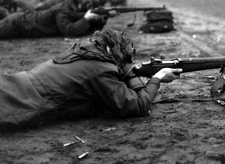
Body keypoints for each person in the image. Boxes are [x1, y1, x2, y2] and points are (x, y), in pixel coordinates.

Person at [0, 29, 182, 132]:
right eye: (125, 56)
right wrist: (157, 77)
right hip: (22, 101)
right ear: (114, 51)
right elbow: (138, 106)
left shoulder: (85, 52)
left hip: (15, 83)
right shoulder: (100, 69)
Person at [0, 0, 116, 39]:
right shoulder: (63, 10)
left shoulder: (71, 8)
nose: (87, 8)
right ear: (77, 3)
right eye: (85, 5)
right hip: (16, 23)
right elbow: (69, 31)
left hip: (21, 26)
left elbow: (86, 26)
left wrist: (104, 16)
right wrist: (86, 18)